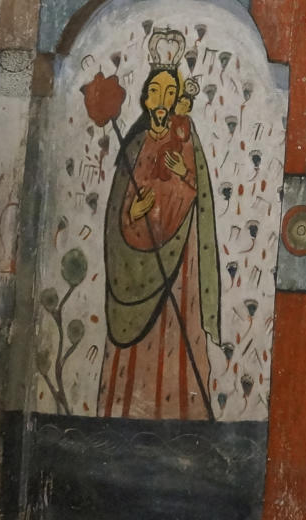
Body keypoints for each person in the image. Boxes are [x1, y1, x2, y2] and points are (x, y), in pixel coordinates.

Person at [97, 28, 221, 420]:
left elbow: (197, 194)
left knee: (176, 333)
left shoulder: (186, 137)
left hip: (177, 260)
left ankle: (184, 412)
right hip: (136, 262)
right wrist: (134, 212)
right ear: (146, 97)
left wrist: (184, 174)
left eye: (171, 93)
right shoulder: (133, 144)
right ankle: (124, 411)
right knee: (137, 349)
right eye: (158, 92)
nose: (164, 101)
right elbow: (119, 207)